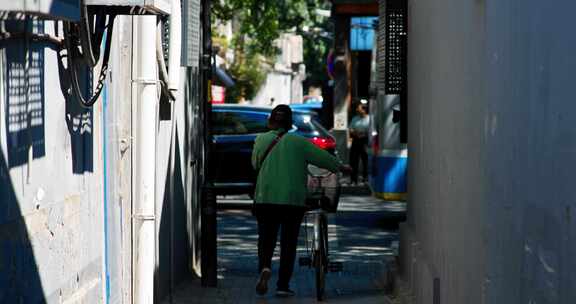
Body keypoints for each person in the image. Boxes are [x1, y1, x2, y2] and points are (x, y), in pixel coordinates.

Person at [251, 105, 351, 297]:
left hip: (265, 198)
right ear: (290, 124)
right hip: (292, 201)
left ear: (271, 121)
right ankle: (282, 286)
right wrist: (342, 168)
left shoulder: (260, 140)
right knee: (288, 243)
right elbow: (324, 160)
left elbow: (255, 164)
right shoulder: (299, 142)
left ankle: (264, 267)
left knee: (266, 239)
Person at [349, 101, 369, 185]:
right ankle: (353, 179)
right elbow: (351, 129)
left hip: (365, 141)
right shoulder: (355, 118)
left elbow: (372, 131)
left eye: (359, 108)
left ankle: (366, 178)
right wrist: (355, 133)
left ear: (364, 110)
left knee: (366, 161)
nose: (357, 110)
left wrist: (364, 134)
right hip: (356, 141)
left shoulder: (369, 119)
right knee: (354, 161)